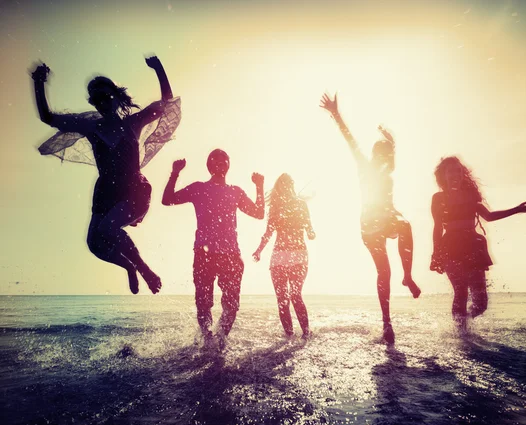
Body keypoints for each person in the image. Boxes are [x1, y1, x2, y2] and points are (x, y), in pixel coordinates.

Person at [31, 56, 181, 294]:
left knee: (108, 230)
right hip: (106, 192)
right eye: (96, 99)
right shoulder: (91, 127)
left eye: (105, 96)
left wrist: (159, 68)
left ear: (115, 96)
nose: (101, 102)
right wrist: (38, 82)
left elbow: (166, 102)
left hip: (134, 189)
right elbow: (48, 117)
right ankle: (129, 267)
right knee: (94, 244)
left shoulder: (134, 123)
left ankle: (145, 270)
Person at [320, 93, 420, 344]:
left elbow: (390, 151)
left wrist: (389, 143)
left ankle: (407, 276)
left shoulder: (388, 172)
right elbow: (351, 141)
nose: (380, 159)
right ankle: (387, 323)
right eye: (377, 154)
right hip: (369, 224)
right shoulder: (365, 167)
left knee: (405, 224)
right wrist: (336, 114)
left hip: (388, 217)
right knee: (383, 271)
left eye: (384, 155)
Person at [162, 152, 264, 348]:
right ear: (210, 166)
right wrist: (174, 173)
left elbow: (259, 213)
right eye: (215, 160)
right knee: (203, 302)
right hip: (204, 254)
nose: (220, 162)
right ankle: (207, 339)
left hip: (231, 255)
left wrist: (259, 186)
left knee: (232, 305)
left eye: (224, 159)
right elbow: (167, 200)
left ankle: (221, 339)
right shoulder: (198, 188)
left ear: (228, 165)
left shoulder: (235, 192)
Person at [430, 156, 526, 330]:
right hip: (450, 246)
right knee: (460, 291)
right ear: (443, 175)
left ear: (463, 174)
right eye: (450, 171)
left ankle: (464, 323)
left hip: (473, 245)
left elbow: (489, 216)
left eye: (458, 170)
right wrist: (436, 253)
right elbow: (437, 227)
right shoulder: (438, 198)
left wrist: (518, 209)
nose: (455, 174)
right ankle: (460, 334)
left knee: (481, 303)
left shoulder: (470, 196)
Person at [253, 174, 316, 338]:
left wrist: (310, 231)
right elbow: (268, 233)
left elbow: (310, 231)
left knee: (295, 295)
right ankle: (289, 336)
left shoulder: (301, 205)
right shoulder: (275, 208)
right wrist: (259, 250)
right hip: (279, 257)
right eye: (283, 185)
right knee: (282, 299)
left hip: (298, 255)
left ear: (292, 186)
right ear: (279, 188)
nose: (287, 187)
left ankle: (306, 333)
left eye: (289, 184)